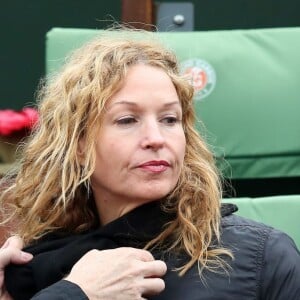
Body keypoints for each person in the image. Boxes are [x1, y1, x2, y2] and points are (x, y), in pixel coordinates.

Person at [0, 28, 300, 300]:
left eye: (170, 119)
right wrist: (77, 293)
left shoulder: (262, 257)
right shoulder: (29, 268)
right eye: (127, 120)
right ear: (79, 145)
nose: (156, 138)